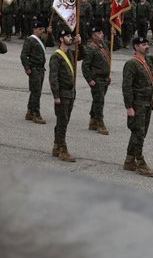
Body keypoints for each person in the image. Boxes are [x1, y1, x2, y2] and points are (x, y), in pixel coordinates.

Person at [122, 36, 153, 177]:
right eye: (143, 45)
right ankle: (140, 163)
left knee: (139, 132)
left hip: (147, 103)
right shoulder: (131, 64)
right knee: (139, 133)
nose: (147, 47)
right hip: (138, 103)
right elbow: (127, 87)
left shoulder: (148, 60)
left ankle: (129, 160)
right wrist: (129, 107)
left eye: (147, 44)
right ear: (136, 47)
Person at [48, 29, 84, 162]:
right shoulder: (56, 56)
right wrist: (56, 95)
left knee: (64, 120)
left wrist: (79, 44)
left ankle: (57, 146)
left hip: (70, 92)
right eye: (67, 36)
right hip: (62, 93)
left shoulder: (70, 53)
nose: (70, 38)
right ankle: (63, 150)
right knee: (62, 121)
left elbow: (82, 56)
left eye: (71, 36)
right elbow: (53, 77)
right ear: (61, 39)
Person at [82, 25, 111, 135]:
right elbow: (85, 66)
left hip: (105, 78)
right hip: (97, 79)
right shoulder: (91, 48)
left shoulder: (103, 45)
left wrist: (114, 34)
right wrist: (89, 79)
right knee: (99, 101)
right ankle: (100, 123)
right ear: (93, 36)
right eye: (99, 33)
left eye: (102, 33)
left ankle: (93, 121)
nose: (102, 35)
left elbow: (115, 47)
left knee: (97, 100)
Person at [20, 20, 50, 124]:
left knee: (36, 91)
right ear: (34, 29)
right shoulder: (30, 40)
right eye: (39, 29)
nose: (41, 31)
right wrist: (27, 68)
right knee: (36, 92)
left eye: (42, 29)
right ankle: (36, 114)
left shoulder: (42, 39)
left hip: (41, 69)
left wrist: (50, 34)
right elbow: (23, 55)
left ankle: (30, 111)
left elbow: (50, 43)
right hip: (34, 69)